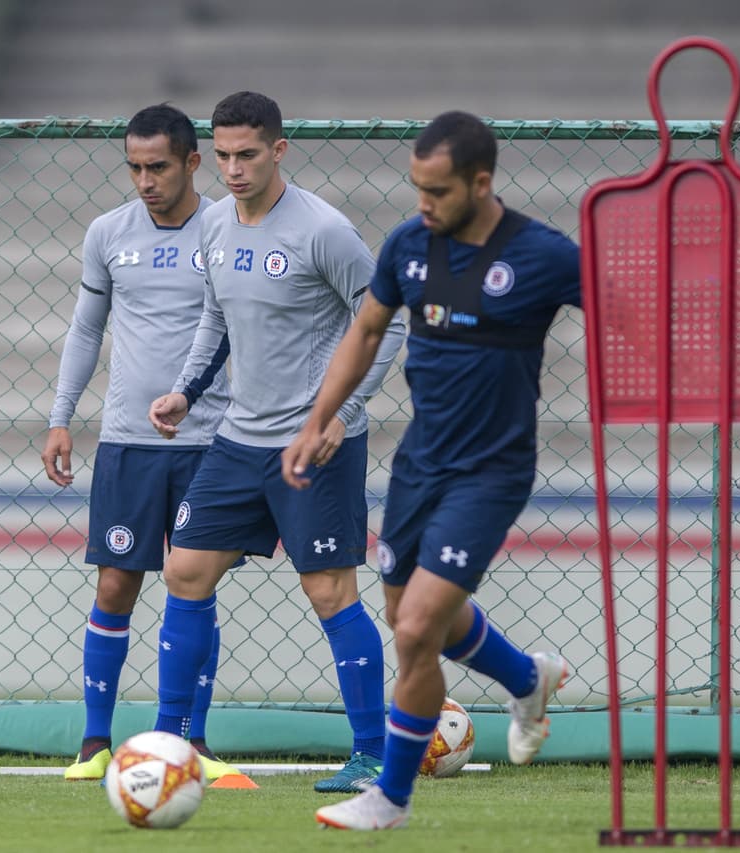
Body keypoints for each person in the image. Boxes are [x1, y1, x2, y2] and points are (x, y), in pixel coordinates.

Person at [284, 110, 581, 829]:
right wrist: (321, 416)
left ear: (482, 183)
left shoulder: (544, 255)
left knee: (415, 628)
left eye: (439, 191)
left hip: (492, 471)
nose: (424, 204)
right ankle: (527, 677)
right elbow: (367, 329)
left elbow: (628, 318)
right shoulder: (409, 244)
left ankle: (389, 796)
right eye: (417, 188)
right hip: (420, 463)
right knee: (415, 621)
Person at [147, 90, 408, 794]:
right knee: (185, 571)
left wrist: (335, 415)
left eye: (247, 155)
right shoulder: (214, 225)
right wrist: (185, 390)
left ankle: (371, 752)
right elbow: (215, 316)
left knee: (329, 591)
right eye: (223, 155)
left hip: (314, 442)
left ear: (278, 150)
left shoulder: (323, 229)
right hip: (238, 439)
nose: (232, 169)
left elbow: (387, 324)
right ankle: (175, 744)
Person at [41, 103, 239, 782]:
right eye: (134, 167)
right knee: (117, 581)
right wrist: (60, 416)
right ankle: (95, 740)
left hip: (210, 441)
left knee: (195, 588)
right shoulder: (108, 234)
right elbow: (86, 329)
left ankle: (191, 739)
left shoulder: (227, 229)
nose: (145, 180)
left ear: (191, 162)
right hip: (127, 442)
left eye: (158, 166)